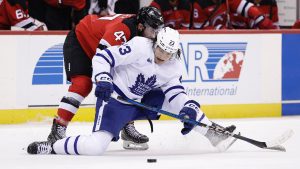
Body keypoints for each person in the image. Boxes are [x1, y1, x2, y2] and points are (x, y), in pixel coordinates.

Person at [27, 27, 239, 155]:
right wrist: (103, 79)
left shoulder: (174, 65)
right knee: (95, 147)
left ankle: (212, 133)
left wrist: (189, 109)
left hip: (143, 97)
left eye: (168, 53)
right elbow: (103, 57)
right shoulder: (139, 46)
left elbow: (175, 93)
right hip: (116, 98)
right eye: (161, 49)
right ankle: (53, 146)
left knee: (183, 105)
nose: (163, 56)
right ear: (155, 42)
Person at [44, 6, 164, 151]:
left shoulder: (141, 32)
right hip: (81, 41)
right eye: (152, 31)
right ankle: (58, 128)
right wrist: (103, 80)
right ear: (140, 26)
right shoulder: (122, 31)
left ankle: (127, 126)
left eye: (157, 31)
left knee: (129, 81)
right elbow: (102, 57)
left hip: (98, 43)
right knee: (82, 85)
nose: (155, 36)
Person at [191, 0, 276, 29]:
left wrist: (260, 17)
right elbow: (199, 29)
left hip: (227, 38)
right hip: (208, 42)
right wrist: (219, 29)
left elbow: (246, 7)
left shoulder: (227, 0)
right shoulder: (199, 4)